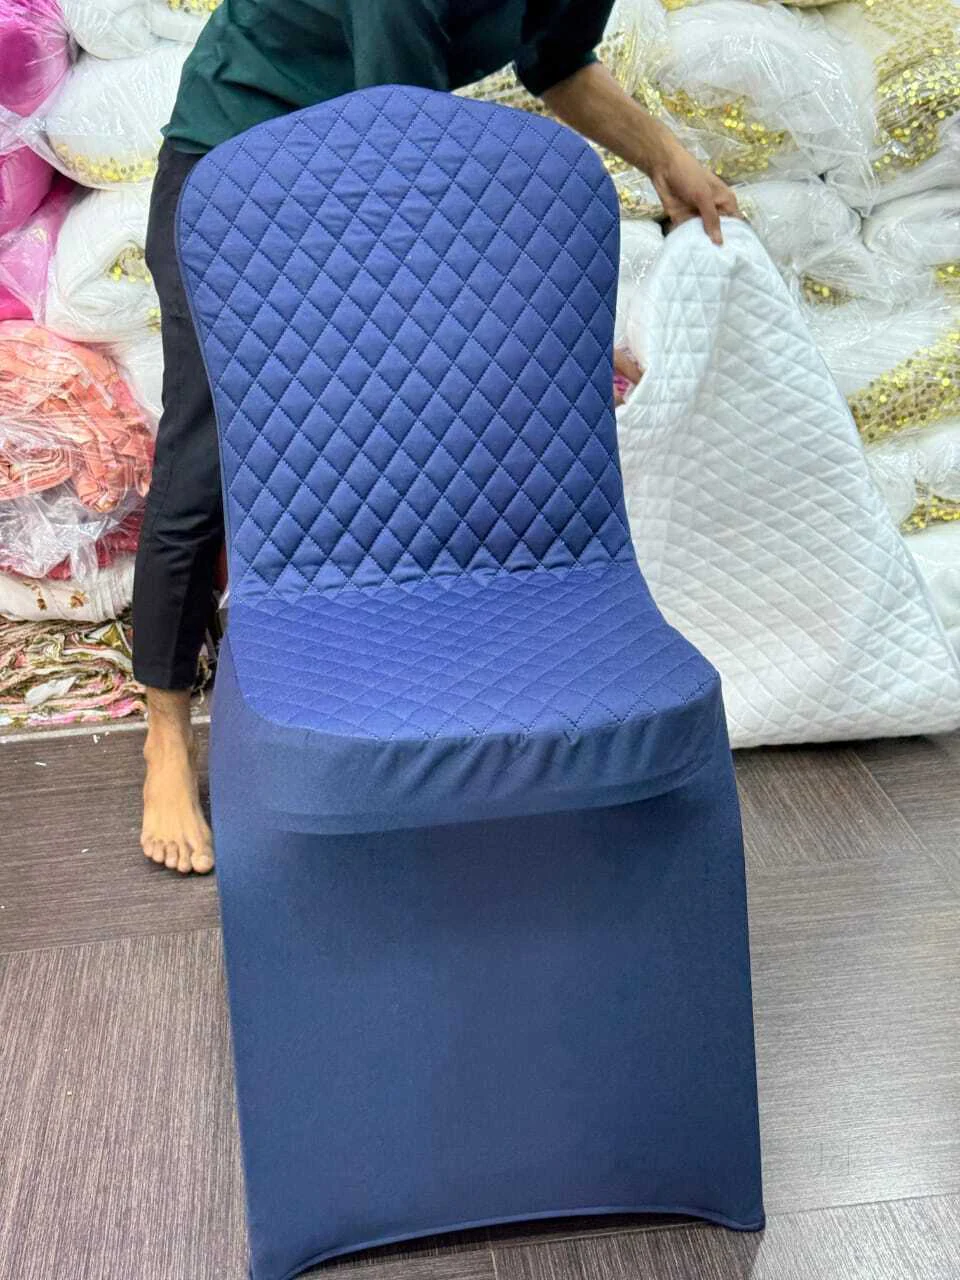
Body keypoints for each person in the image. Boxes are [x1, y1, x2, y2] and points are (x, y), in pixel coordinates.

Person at [134, 0, 739, 875]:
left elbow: (557, 61)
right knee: (209, 446)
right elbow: (407, 157)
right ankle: (164, 732)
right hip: (239, 160)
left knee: (392, 437)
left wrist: (668, 161)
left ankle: (372, 689)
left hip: (369, 153)